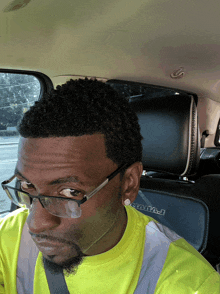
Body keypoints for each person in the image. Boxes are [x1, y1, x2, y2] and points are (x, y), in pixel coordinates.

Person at [0, 78, 219, 294]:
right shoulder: (7, 237)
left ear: (128, 184)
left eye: (70, 192)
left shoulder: (189, 285)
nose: (35, 224)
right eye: (27, 185)